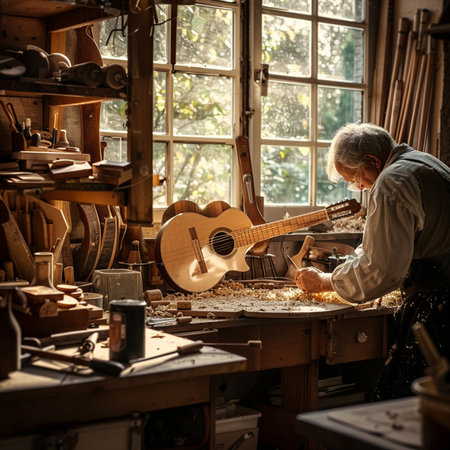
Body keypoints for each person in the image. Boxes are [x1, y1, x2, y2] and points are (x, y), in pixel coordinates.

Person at [294, 122, 450, 400]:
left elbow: (383, 270)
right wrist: (348, 267)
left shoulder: (391, 182)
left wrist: (325, 281)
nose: (360, 187)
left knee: (414, 407)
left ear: (373, 161)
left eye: (356, 178)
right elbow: (380, 246)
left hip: (439, 303)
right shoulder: (424, 162)